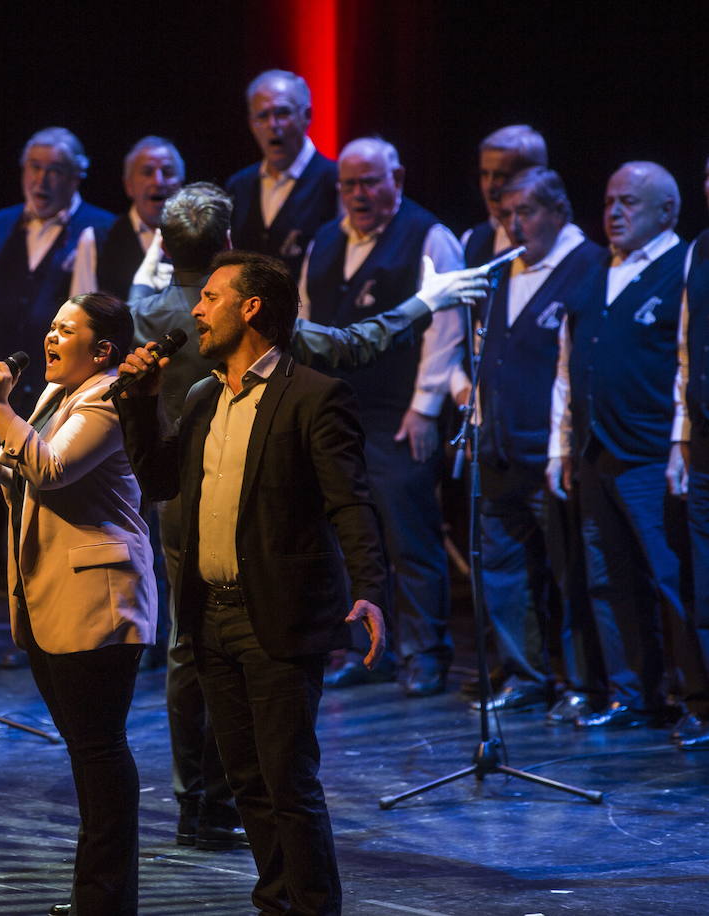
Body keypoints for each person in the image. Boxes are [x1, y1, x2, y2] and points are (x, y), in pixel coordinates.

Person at [131, 183, 487, 851]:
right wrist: (426, 302)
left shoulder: (147, 311)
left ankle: (197, 803)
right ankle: (238, 801)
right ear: (226, 246)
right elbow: (353, 343)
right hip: (237, 512)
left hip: (177, 514)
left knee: (190, 652)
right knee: (238, 652)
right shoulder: (229, 324)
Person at [118, 251, 387, 915]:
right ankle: (275, 900)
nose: (197, 312)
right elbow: (158, 483)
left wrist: (370, 585)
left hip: (278, 617)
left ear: (252, 308)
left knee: (288, 779)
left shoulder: (314, 397)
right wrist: (142, 403)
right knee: (246, 781)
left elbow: (349, 501)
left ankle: (315, 904)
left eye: (210, 298)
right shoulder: (205, 395)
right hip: (211, 617)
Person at [0, 292, 156, 915]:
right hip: (51, 598)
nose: (50, 336)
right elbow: (35, 472)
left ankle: (105, 901)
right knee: (85, 750)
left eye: (65, 330)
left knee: (99, 750)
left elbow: (51, 471)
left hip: (99, 600)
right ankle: (95, 895)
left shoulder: (105, 399)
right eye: (50, 325)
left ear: (102, 350)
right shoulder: (53, 396)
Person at [548, 161, 709, 738]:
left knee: (672, 581)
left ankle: (695, 698)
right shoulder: (595, 270)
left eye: (629, 202)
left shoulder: (681, 266)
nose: (614, 212)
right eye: (610, 200)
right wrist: (562, 446)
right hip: (595, 453)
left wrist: (678, 443)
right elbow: (567, 367)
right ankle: (631, 693)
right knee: (606, 578)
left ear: (667, 210)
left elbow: (687, 362)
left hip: (649, 453)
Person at [301, 136, 465, 696]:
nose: (359, 193)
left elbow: (447, 327)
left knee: (410, 537)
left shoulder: (428, 236)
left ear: (397, 177)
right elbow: (304, 323)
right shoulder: (325, 240)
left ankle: (425, 652)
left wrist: (425, 409)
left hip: (398, 415)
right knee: (351, 538)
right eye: (349, 184)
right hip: (337, 415)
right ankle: (364, 650)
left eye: (371, 181)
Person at [465, 167, 607, 718]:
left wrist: (564, 446)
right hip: (498, 446)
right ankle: (526, 677)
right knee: (503, 569)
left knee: (568, 571)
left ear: (558, 210)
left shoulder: (588, 266)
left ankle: (583, 681)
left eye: (525, 212)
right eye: (505, 215)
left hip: (552, 453)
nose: (513, 225)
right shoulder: (504, 268)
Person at [0, 127, 116, 418]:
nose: (41, 180)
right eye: (35, 167)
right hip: (0, 386)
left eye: (54, 170)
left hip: (60, 389)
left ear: (76, 175)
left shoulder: (102, 228)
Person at [669, 154, 709, 750]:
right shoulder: (698, 249)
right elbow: (685, 350)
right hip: (703, 443)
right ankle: (703, 705)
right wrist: (679, 438)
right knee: (705, 586)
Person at [226, 70, 338, 279]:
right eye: (262, 116)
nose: (272, 125)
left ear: (307, 116)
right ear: (251, 124)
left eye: (282, 113)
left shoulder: (335, 181)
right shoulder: (239, 186)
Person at [70, 136, 184, 299]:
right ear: (129, 185)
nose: (158, 181)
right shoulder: (96, 239)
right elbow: (80, 315)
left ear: (181, 182)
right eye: (147, 172)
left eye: (167, 172)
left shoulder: (196, 237)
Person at [460, 125, 548, 268]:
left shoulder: (565, 245)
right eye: (484, 174)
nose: (489, 186)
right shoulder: (472, 240)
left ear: (534, 177)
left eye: (500, 176)